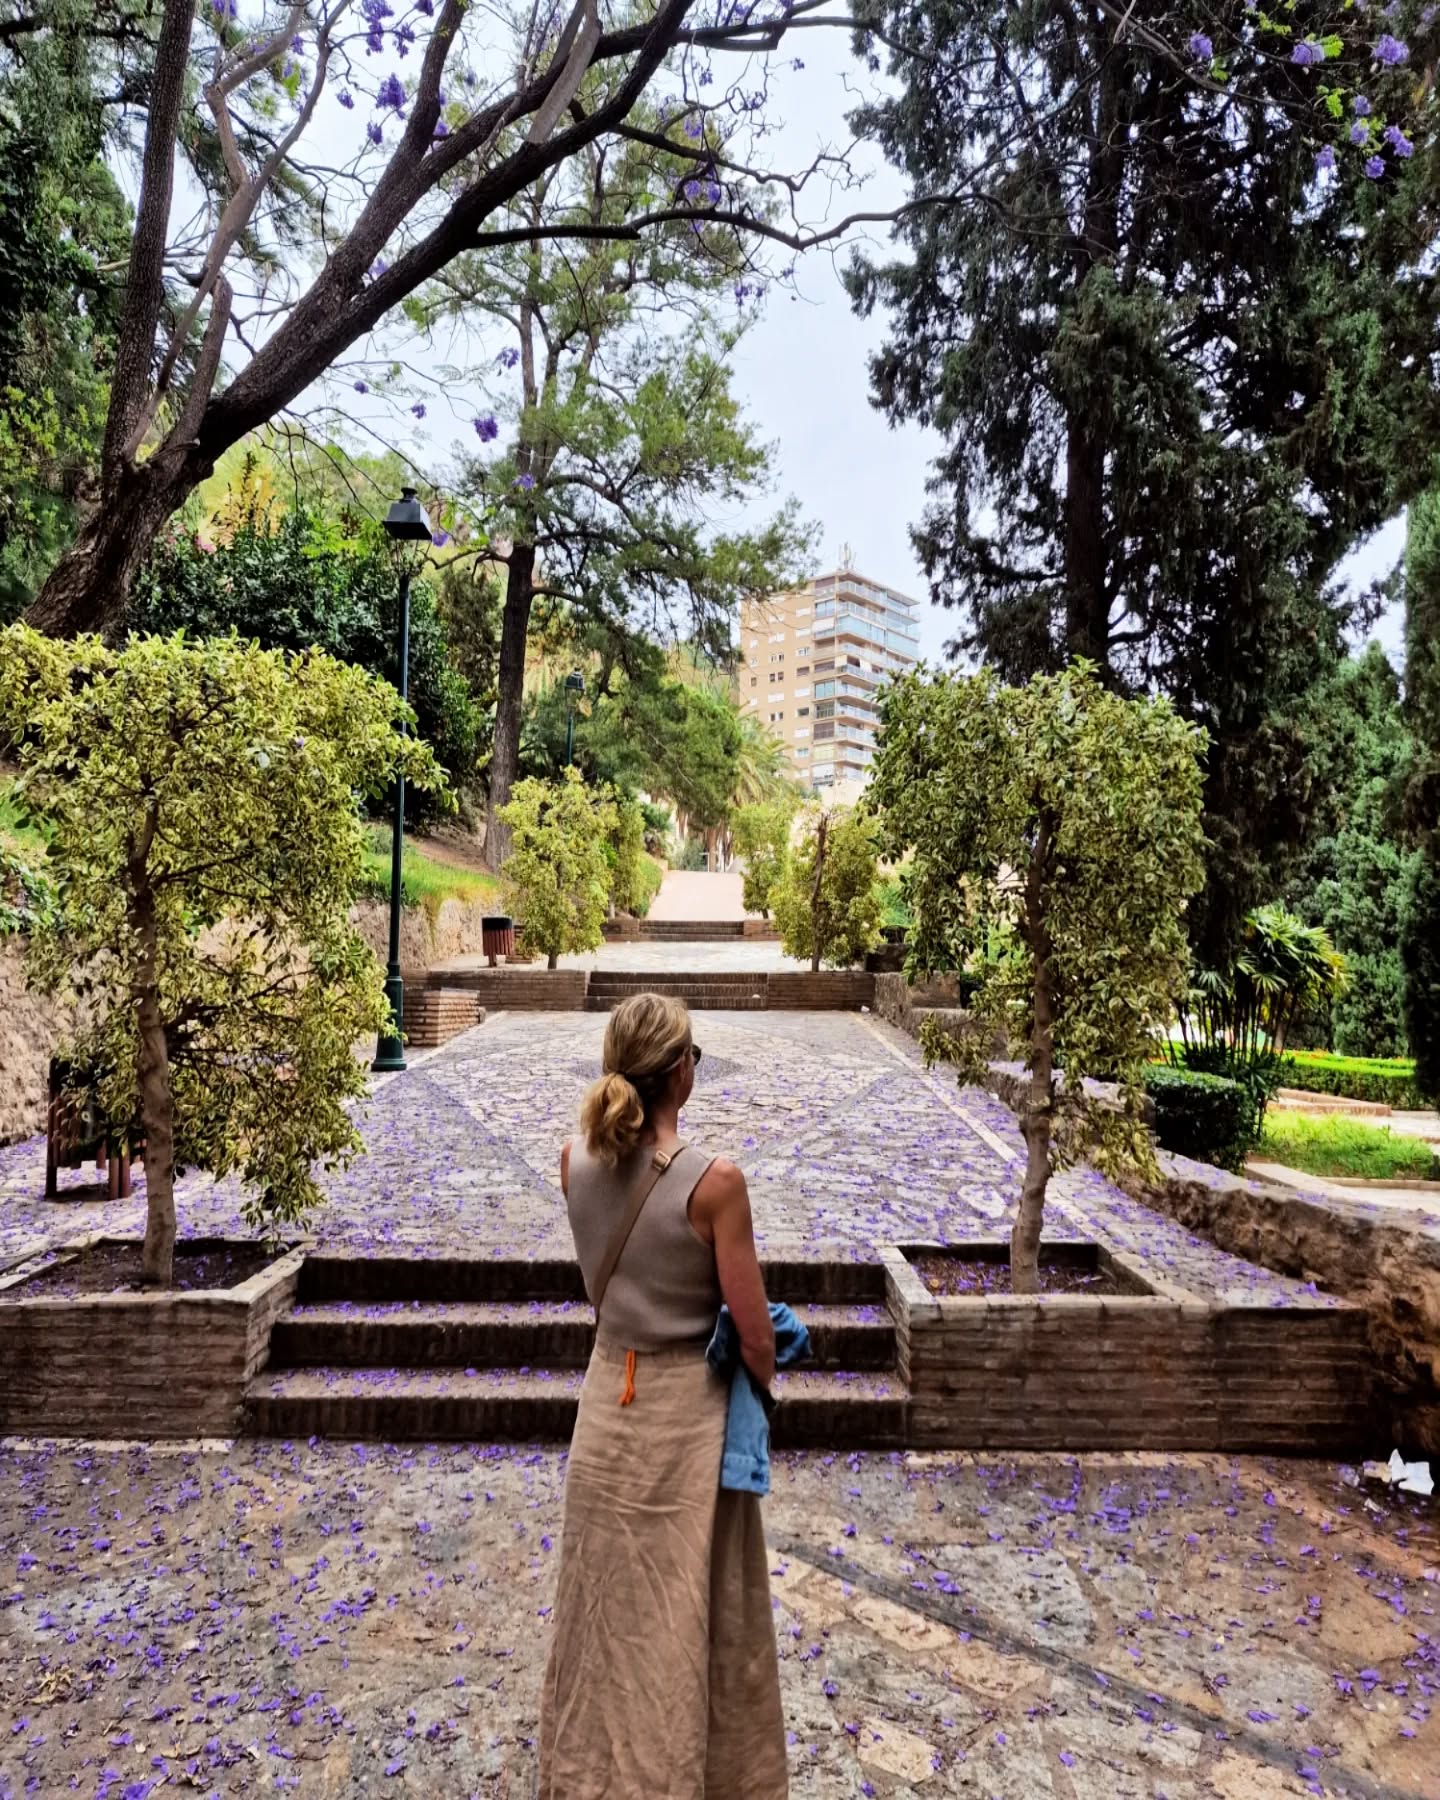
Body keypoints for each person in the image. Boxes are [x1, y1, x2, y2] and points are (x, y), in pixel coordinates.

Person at [537, 992, 787, 1799]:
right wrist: (763, 1389)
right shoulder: (715, 1185)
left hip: (607, 1404)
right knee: (694, 1622)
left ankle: (589, 1780)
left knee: (602, 1625)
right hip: (688, 1422)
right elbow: (755, 1337)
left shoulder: (572, 1161)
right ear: (682, 1073)